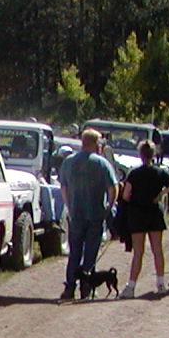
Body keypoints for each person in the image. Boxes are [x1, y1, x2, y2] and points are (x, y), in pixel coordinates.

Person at [56, 128, 119, 303]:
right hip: (95, 214)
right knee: (90, 252)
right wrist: (110, 206)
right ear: (94, 143)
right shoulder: (101, 163)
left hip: (76, 213)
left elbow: (64, 187)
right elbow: (113, 187)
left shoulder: (68, 162)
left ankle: (69, 287)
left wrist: (69, 205)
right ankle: (86, 287)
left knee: (74, 252)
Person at [116, 140, 169, 298]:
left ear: (140, 154)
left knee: (138, 252)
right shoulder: (159, 172)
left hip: (137, 214)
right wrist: (161, 194)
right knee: (157, 250)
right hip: (154, 212)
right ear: (153, 154)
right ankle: (161, 283)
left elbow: (126, 195)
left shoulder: (134, 174)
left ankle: (131, 286)